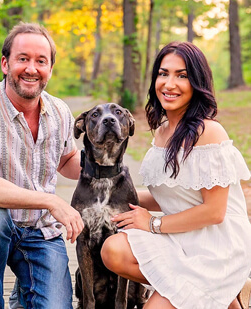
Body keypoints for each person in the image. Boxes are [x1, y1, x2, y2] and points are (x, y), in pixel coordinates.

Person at [101, 41, 251, 309]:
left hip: (216, 247)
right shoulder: (162, 132)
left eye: (182, 75)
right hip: (181, 237)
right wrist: (111, 193)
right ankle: (221, 297)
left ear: (197, 83)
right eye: (163, 73)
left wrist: (152, 224)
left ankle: (221, 287)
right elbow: (174, 193)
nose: (169, 84)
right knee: (113, 251)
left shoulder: (208, 132)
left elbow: (214, 212)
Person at [0, 22, 84, 308]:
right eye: (22, 59)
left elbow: (68, 161)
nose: (31, 68)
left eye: (41, 61)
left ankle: (26, 289)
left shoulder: (60, 111)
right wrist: (51, 201)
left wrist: (103, 160)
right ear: (5, 63)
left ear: (50, 69)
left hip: (40, 232)